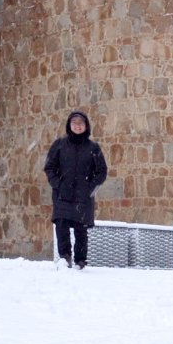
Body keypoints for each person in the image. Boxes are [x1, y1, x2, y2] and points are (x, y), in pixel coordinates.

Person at [43, 111, 108, 269]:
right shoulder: (59, 145)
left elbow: (102, 171)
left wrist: (90, 188)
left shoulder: (93, 147)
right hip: (62, 194)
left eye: (80, 123)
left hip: (83, 196)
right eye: (74, 123)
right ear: (69, 125)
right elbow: (49, 167)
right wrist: (57, 184)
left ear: (86, 126)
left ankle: (80, 260)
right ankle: (65, 257)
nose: (77, 126)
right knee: (62, 225)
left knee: (81, 228)